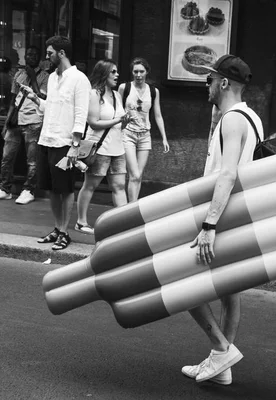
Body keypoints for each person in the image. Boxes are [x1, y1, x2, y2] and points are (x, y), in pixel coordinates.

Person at [182, 55, 263, 385]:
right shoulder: (250, 117)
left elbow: (227, 173)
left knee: (184, 284)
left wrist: (209, 225)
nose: (207, 86)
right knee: (231, 293)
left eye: (210, 80)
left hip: (221, 216)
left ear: (224, 83)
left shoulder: (232, 120)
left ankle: (221, 349)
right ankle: (221, 367)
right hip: (238, 215)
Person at [23, 36, 91, 250]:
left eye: (50, 52)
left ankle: (64, 232)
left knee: (66, 188)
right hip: (47, 139)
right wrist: (35, 98)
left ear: (61, 53)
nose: (46, 56)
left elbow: (81, 114)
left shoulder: (79, 79)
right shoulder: (52, 78)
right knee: (52, 189)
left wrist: (75, 145)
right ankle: (56, 228)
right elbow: (50, 107)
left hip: (65, 142)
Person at [75, 60, 133, 235]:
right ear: (103, 74)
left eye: (117, 72)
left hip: (118, 147)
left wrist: (125, 122)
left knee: (119, 187)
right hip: (99, 148)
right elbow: (93, 122)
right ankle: (81, 221)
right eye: (112, 72)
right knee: (90, 185)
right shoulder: (94, 94)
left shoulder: (116, 95)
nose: (117, 75)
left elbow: (118, 125)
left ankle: (122, 225)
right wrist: (117, 120)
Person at [0, 46, 49, 205]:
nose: (31, 57)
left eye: (34, 55)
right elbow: (13, 101)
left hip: (34, 121)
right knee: (7, 157)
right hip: (15, 121)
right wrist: (6, 123)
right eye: (29, 54)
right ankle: (5, 188)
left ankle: (29, 190)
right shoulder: (19, 75)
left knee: (32, 160)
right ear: (25, 57)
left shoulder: (46, 77)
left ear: (39, 58)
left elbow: (42, 98)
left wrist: (33, 77)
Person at [118, 57, 170, 202]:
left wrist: (164, 138)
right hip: (127, 133)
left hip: (145, 135)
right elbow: (118, 110)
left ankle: (132, 207)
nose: (138, 75)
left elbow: (158, 115)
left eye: (141, 71)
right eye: (135, 72)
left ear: (147, 72)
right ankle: (132, 211)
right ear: (132, 72)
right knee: (134, 174)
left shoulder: (153, 91)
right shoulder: (124, 87)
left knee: (138, 175)